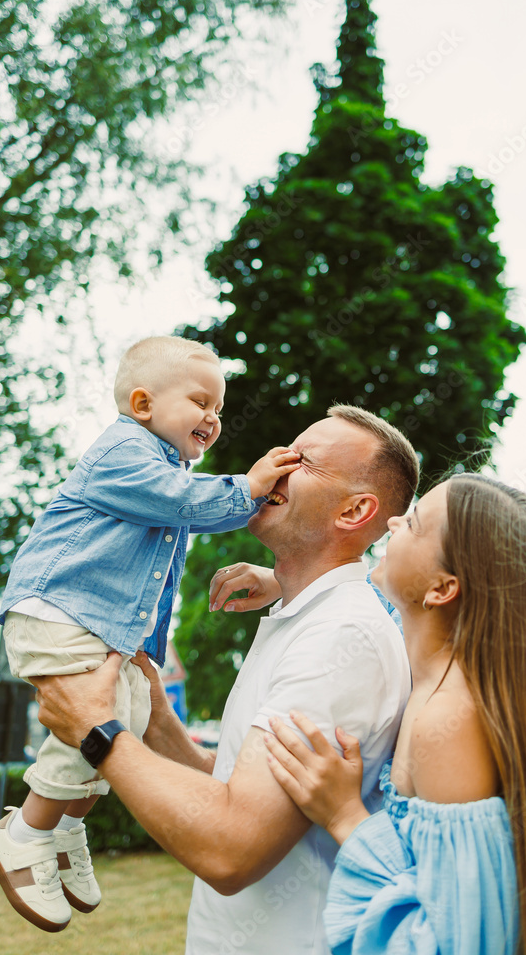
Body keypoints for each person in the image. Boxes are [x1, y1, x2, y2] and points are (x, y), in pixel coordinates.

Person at [31, 405, 420, 953]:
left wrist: (97, 729)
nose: (275, 465)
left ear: (356, 510)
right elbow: (246, 789)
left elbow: (232, 850)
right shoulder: (304, 617)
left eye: (303, 462)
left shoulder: (339, 637)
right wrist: (160, 728)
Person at [0, 335, 301, 933]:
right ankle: (24, 833)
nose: (213, 416)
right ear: (141, 403)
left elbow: (192, 508)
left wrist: (253, 502)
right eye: (200, 401)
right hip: (60, 607)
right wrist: (250, 484)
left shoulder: (169, 470)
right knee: (92, 715)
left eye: (219, 407)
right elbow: (180, 500)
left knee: (125, 724)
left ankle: (65, 828)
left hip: (102, 625)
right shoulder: (124, 452)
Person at [263, 475, 526, 955]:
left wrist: (346, 817)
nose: (393, 520)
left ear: (443, 588)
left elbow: (456, 940)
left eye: (416, 522)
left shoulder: (447, 724)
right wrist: (283, 583)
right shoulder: (432, 678)